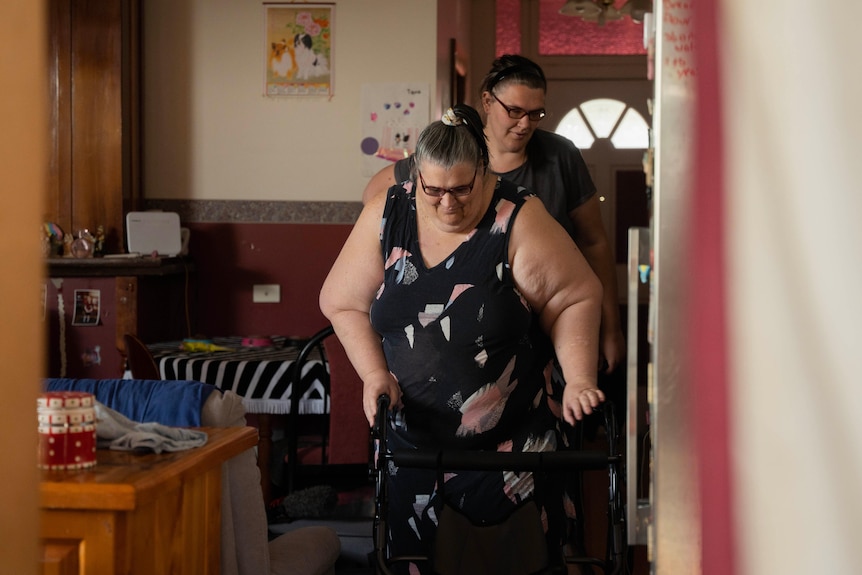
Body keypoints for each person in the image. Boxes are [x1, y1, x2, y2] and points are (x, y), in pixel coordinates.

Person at [321, 104, 604, 574]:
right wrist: (373, 374)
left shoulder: (517, 217)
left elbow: (574, 296)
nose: (447, 203)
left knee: (517, 563)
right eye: (433, 191)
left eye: (461, 189)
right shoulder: (388, 213)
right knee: (417, 563)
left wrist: (579, 378)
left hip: (510, 449)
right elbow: (341, 301)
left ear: (483, 172)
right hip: (413, 447)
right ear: (415, 176)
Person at [363, 54, 625, 375]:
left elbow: (594, 241)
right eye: (514, 111)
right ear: (487, 101)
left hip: (547, 332)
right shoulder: (450, 156)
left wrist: (610, 328)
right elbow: (378, 197)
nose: (525, 123)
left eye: (535, 113)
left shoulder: (561, 157)